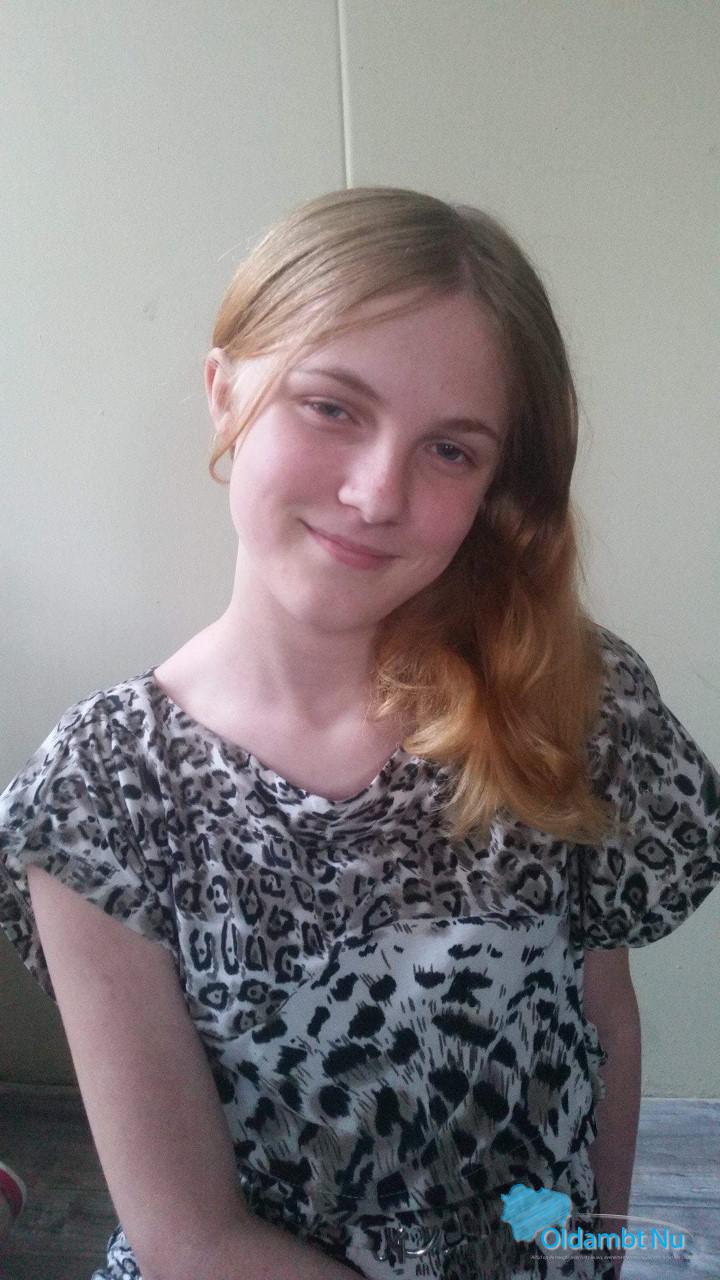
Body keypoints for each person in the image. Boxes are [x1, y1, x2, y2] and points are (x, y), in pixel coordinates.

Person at [0, 186, 718, 1280]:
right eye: (332, 407)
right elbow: (190, 1239)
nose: (377, 493)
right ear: (224, 391)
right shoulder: (97, 794)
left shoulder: (566, 697)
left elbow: (603, 1026)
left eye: (451, 450)